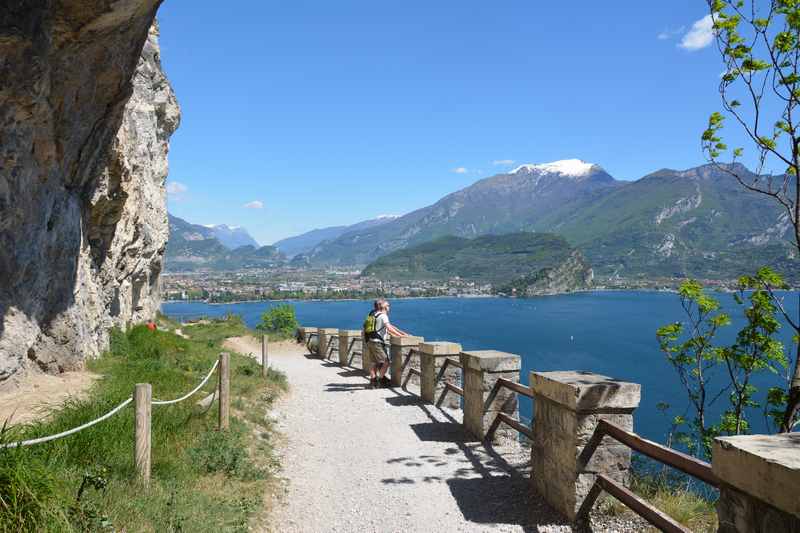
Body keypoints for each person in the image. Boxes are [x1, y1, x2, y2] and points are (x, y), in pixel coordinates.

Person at [367, 299, 410, 388]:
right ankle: (379, 380)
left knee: (373, 362)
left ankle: (372, 382)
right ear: (384, 307)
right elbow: (389, 328)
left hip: (370, 341)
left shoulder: (373, 314)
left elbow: (390, 326)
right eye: (388, 305)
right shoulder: (383, 316)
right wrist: (401, 336)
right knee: (386, 362)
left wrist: (402, 333)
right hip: (377, 342)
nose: (389, 307)